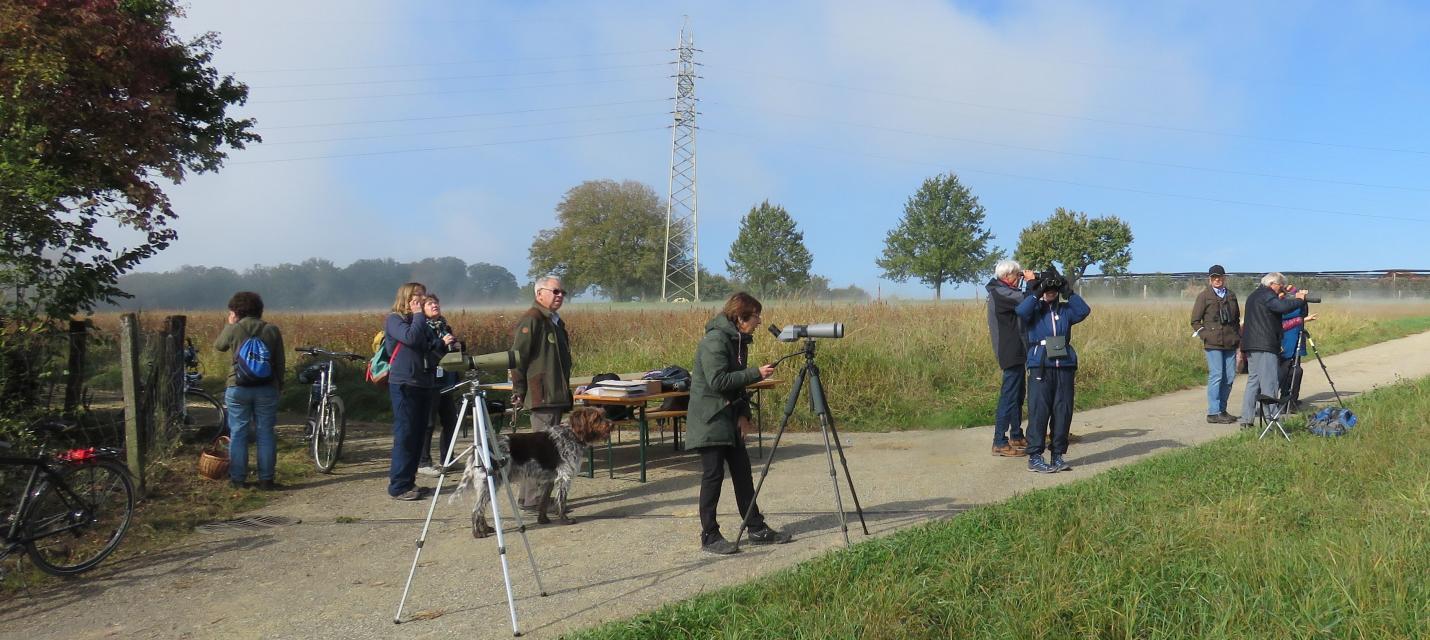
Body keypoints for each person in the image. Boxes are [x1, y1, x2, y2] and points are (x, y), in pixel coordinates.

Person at [687, 292, 792, 555]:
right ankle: (710, 536)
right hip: (710, 420)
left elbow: (738, 385)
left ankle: (755, 527)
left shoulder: (738, 341)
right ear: (740, 317)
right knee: (713, 476)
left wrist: (744, 414)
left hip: (730, 417)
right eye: (756, 316)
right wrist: (756, 373)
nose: (759, 321)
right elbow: (719, 381)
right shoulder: (715, 341)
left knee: (743, 473)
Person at [1016, 272, 1091, 473]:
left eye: (1052, 290)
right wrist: (1037, 290)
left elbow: (1084, 310)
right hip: (1040, 364)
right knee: (1039, 410)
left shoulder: (1065, 310)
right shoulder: (1035, 309)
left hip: (1064, 365)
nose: (1050, 293)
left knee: (1063, 411)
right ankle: (1035, 456)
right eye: (1047, 290)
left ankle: (1057, 454)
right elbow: (1021, 312)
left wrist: (1068, 291)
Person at [384, 282, 453, 500]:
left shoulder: (420, 321)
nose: (422, 299)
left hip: (425, 383)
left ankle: (409, 482)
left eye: (423, 295)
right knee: (405, 435)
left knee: (418, 434)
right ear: (406, 297)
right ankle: (398, 486)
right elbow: (411, 338)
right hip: (405, 383)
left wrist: (445, 344)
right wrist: (417, 315)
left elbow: (431, 349)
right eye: (417, 295)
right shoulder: (394, 319)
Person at [510, 275, 573, 509]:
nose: (559, 296)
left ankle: (534, 497)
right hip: (542, 394)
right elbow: (518, 358)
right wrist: (518, 389)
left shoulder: (554, 320)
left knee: (547, 449)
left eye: (562, 293)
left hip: (556, 393)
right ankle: (533, 499)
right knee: (541, 450)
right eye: (555, 291)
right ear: (539, 294)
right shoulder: (533, 319)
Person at [213, 291, 285, 490]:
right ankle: (266, 479)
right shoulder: (272, 330)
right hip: (267, 388)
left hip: (237, 387)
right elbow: (279, 362)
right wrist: (280, 385)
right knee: (265, 433)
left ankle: (238, 479)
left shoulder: (234, 329)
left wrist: (229, 323)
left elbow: (219, 346)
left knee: (238, 432)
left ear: (236, 310)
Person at [1238, 272, 1308, 427]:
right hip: (1265, 345)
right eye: (1280, 286)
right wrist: (1299, 299)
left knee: (1253, 383)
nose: (1281, 289)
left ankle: (1246, 420)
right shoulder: (1267, 295)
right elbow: (1281, 307)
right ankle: (1273, 423)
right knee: (1270, 383)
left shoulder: (1254, 295)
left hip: (1251, 345)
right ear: (1273, 284)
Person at [985, 259, 1038, 456]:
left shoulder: (1003, 290)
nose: (1018, 279)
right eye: (1017, 275)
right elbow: (1026, 301)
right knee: (1008, 396)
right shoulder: (1000, 292)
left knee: (1017, 394)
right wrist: (1032, 283)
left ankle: (1016, 435)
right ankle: (999, 440)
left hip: (1017, 348)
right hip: (1010, 350)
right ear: (1007, 276)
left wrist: (1029, 283)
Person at [1189, 265, 1241, 423]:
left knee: (1230, 377)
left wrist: (1237, 336)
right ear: (1209, 279)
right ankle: (1213, 412)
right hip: (1213, 343)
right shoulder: (1204, 296)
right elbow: (1195, 321)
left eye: (1219, 277)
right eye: (1214, 277)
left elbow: (1236, 319)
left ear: (1225, 278)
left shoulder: (1231, 295)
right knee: (1217, 375)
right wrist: (1206, 336)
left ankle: (1222, 410)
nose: (1217, 280)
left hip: (1230, 342)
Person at [417, 294, 463, 475]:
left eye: (436, 302)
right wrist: (441, 342)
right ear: (422, 309)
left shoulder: (445, 326)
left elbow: (448, 351)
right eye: (429, 303)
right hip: (430, 381)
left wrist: (457, 346)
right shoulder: (421, 328)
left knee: (451, 420)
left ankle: (448, 458)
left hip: (447, 380)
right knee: (428, 423)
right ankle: (424, 462)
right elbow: (424, 351)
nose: (434, 305)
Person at [1277, 284, 1317, 414]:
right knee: (1288, 370)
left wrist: (1302, 298)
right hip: (1286, 340)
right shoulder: (1278, 302)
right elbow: (1285, 317)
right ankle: (1285, 400)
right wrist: (1297, 298)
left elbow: (1302, 312)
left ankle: (1292, 399)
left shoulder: (1292, 301)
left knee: (1296, 369)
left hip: (1297, 337)